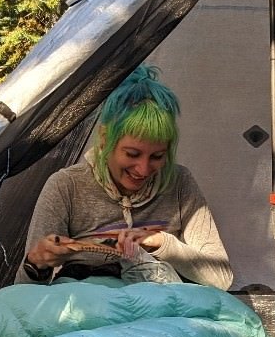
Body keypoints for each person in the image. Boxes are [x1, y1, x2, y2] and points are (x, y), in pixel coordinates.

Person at [19, 65, 234, 289]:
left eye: (157, 156)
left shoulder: (179, 182)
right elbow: (24, 292)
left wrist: (163, 243)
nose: (143, 169)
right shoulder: (67, 186)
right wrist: (37, 263)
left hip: (162, 309)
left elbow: (221, 278)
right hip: (89, 305)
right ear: (104, 139)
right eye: (132, 154)